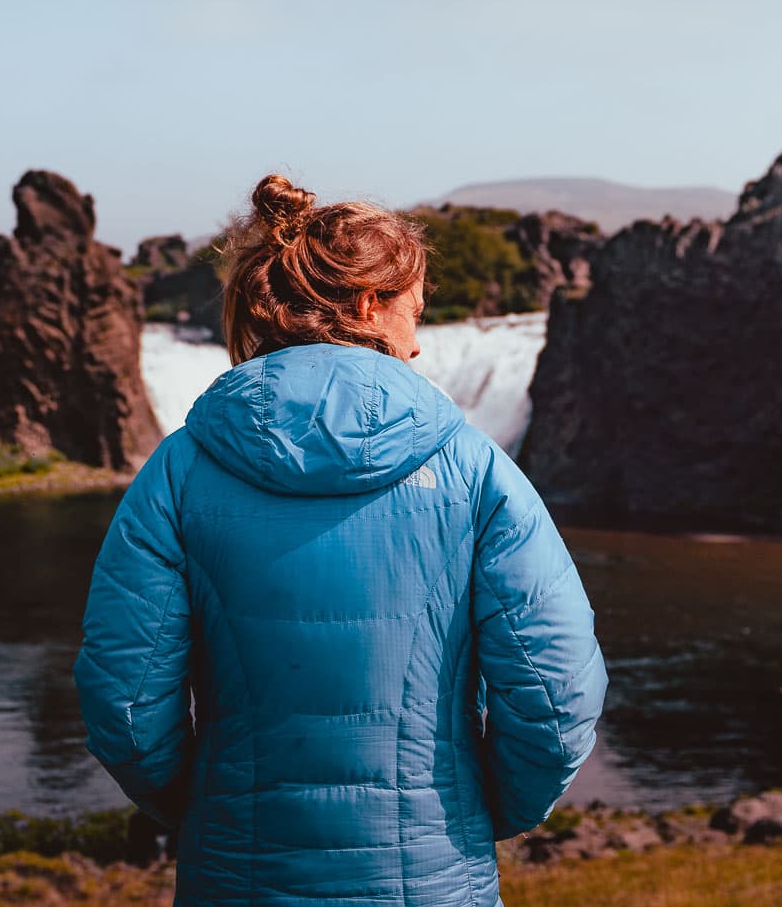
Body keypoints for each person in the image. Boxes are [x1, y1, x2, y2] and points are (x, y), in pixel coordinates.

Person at [74, 174, 607, 905]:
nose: (418, 347)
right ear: (368, 306)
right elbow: (557, 699)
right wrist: (480, 811)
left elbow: (125, 702)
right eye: (414, 314)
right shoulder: (477, 470)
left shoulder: (179, 469)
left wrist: (209, 805)